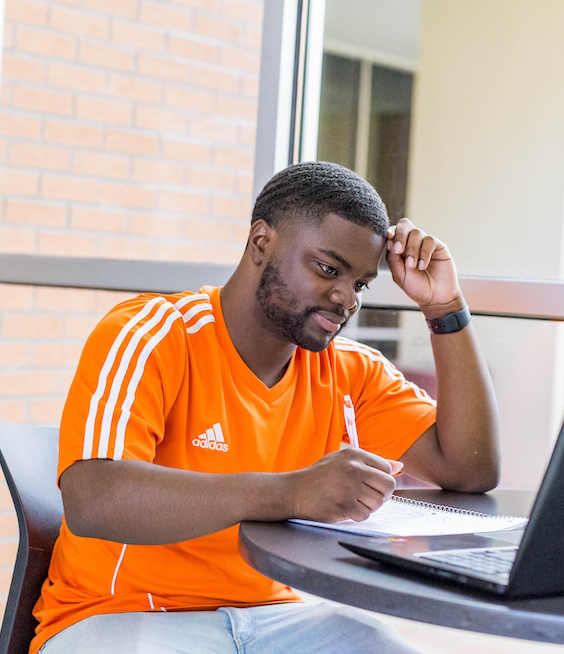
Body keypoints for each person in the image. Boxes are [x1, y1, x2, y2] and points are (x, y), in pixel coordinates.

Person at [32, 161, 500, 653]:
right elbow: (93, 499)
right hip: (121, 616)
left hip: (276, 621)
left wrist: (444, 308)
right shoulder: (154, 333)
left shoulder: (351, 371)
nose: (346, 299)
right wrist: (293, 492)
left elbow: (468, 468)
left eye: (360, 284)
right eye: (327, 269)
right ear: (261, 243)